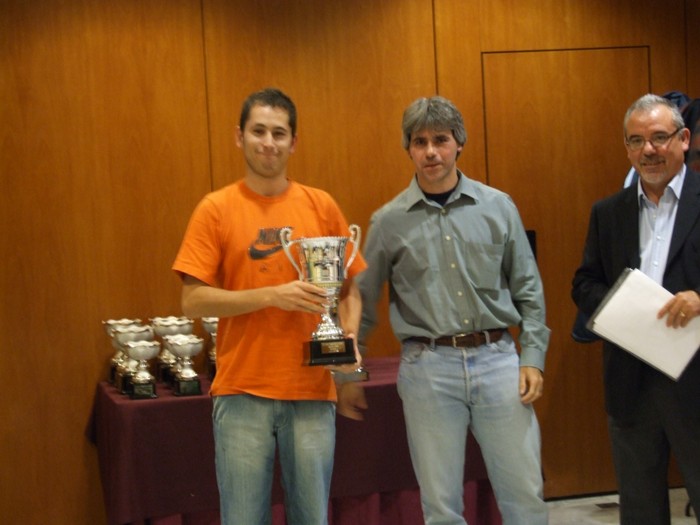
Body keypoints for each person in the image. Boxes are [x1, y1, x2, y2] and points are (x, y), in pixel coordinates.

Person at [172, 88, 367, 525]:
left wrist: (347, 341)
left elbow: (349, 290)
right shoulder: (215, 209)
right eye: (258, 131)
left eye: (279, 133)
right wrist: (271, 295)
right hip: (242, 391)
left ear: (293, 142)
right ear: (239, 136)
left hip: (312, 392)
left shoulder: (321, 205)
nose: (268, 142)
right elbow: (192, 300)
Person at [356, 96, 550, 525]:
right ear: (408, 148)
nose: (431, 152)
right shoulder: (387, 221)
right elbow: (362, 301)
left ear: (458, 143)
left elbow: (528, 287)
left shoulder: (498, 207)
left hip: (498, 363)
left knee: (524, 496)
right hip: (428, 369)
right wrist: (350, 371)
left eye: (440, 140)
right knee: (441, 508)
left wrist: (533, 356)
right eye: (420, 141)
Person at [572, 93, 700, 524]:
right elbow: (584, 283)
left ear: (684, 139)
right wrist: (621, 308)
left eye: (660, 137)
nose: (649, 150)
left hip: (695, 379)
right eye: (636, 141)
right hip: (631, 383)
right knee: (641, 511)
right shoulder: (608, 213)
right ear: (627, 148)